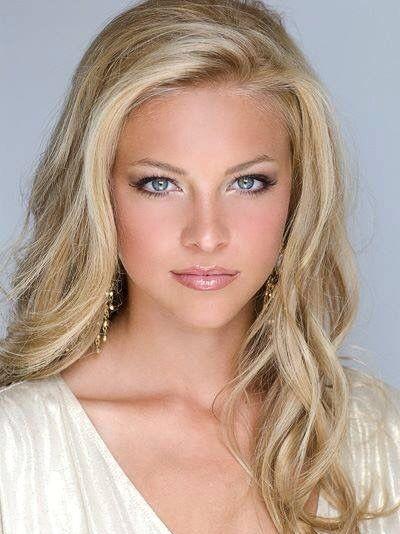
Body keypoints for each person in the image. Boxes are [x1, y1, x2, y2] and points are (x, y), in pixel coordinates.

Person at [0, 1, 399, 532]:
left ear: (298, 194)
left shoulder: (376, 440)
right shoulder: (15, 451)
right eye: (159, 184)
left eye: (247, 183)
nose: (207, 235)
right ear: (97, 194)